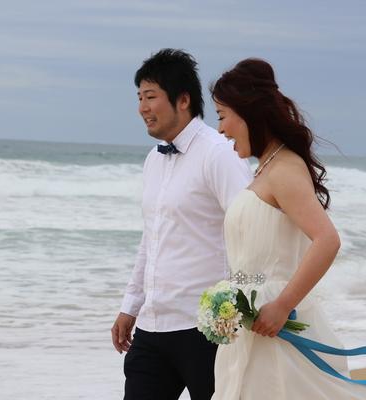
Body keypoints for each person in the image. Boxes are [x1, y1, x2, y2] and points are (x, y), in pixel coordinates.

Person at [210, 58, 366, 399]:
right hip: (253, 327)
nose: (220, 129)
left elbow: (327, 240)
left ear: (249, 113)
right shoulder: (265, 169)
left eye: (222, 116)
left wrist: (281, 305)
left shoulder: (285, 169)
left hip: (277, 325)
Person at [110, 49, 252, 400]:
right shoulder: (153, 160)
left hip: (207, 329)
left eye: (151, 96)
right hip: (153, 325)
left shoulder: (218, 154)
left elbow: (250, 232)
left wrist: (243, 308)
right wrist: (132, 304)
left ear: (183, 99)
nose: (142, 107)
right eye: (139, 97)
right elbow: (152, 237)